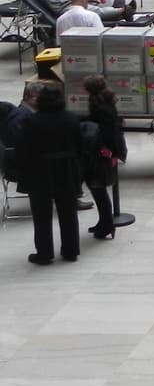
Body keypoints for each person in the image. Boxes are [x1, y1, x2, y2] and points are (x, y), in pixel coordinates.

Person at [16, 88, 82, 265]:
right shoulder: (71, 118)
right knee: (68, 212)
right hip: (67, 169)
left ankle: (44, 253)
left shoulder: (31, 121)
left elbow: (23, 150)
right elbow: (80, 145)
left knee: (42, 215)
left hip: (40, 171)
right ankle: (70, 250)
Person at [80, 75, 127, 241]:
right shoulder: (105, 102)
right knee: (98, 189)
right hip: (104, 151)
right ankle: (103, 222)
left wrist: (105, 150)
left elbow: (106, 132)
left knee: (98, 188)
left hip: (101, 153)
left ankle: (106, 224)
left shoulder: (100, 108)